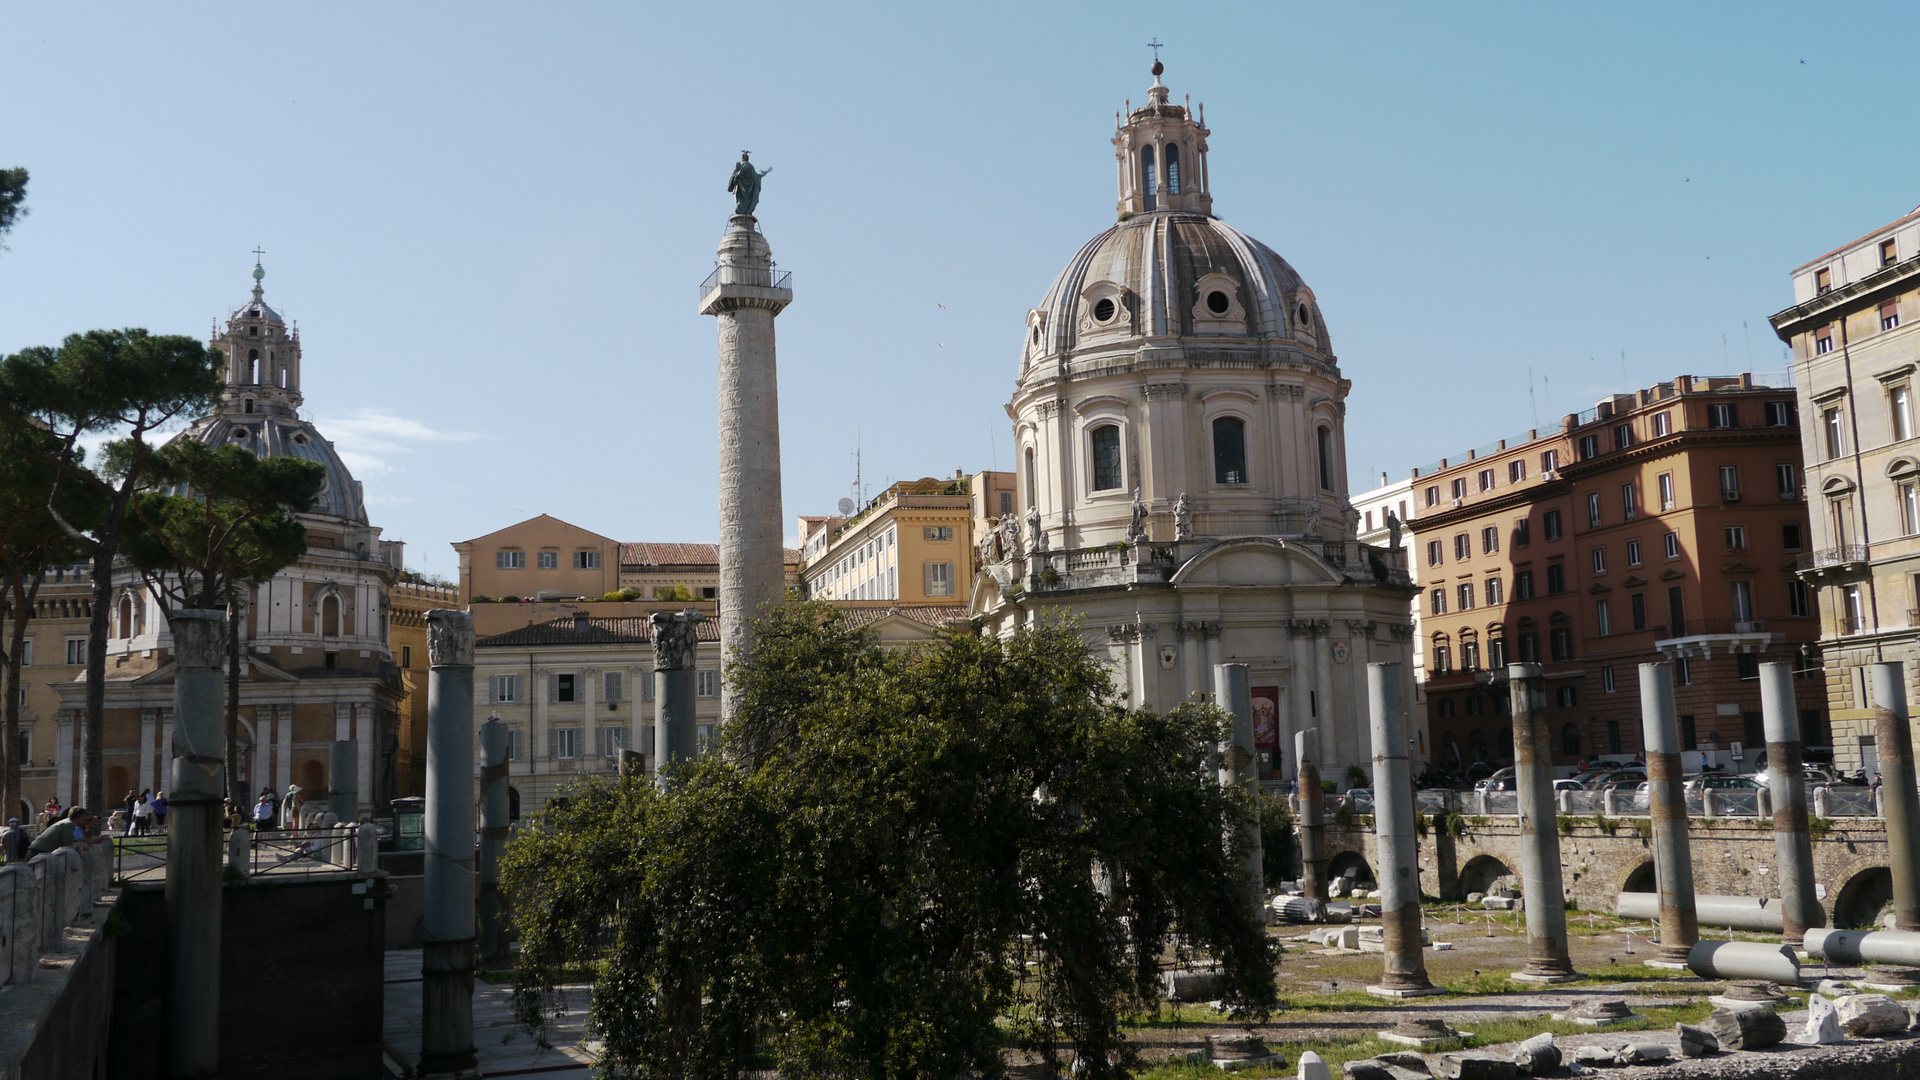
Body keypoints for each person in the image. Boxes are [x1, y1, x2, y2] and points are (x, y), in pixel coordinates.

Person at [29, 807, 97, 856]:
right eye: (84, 818)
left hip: (40, 851)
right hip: (37, 852)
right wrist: (80, 846)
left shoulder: (67, 823)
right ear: (80, 818)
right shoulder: (68, 825)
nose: (85, 821)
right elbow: (68, 844)